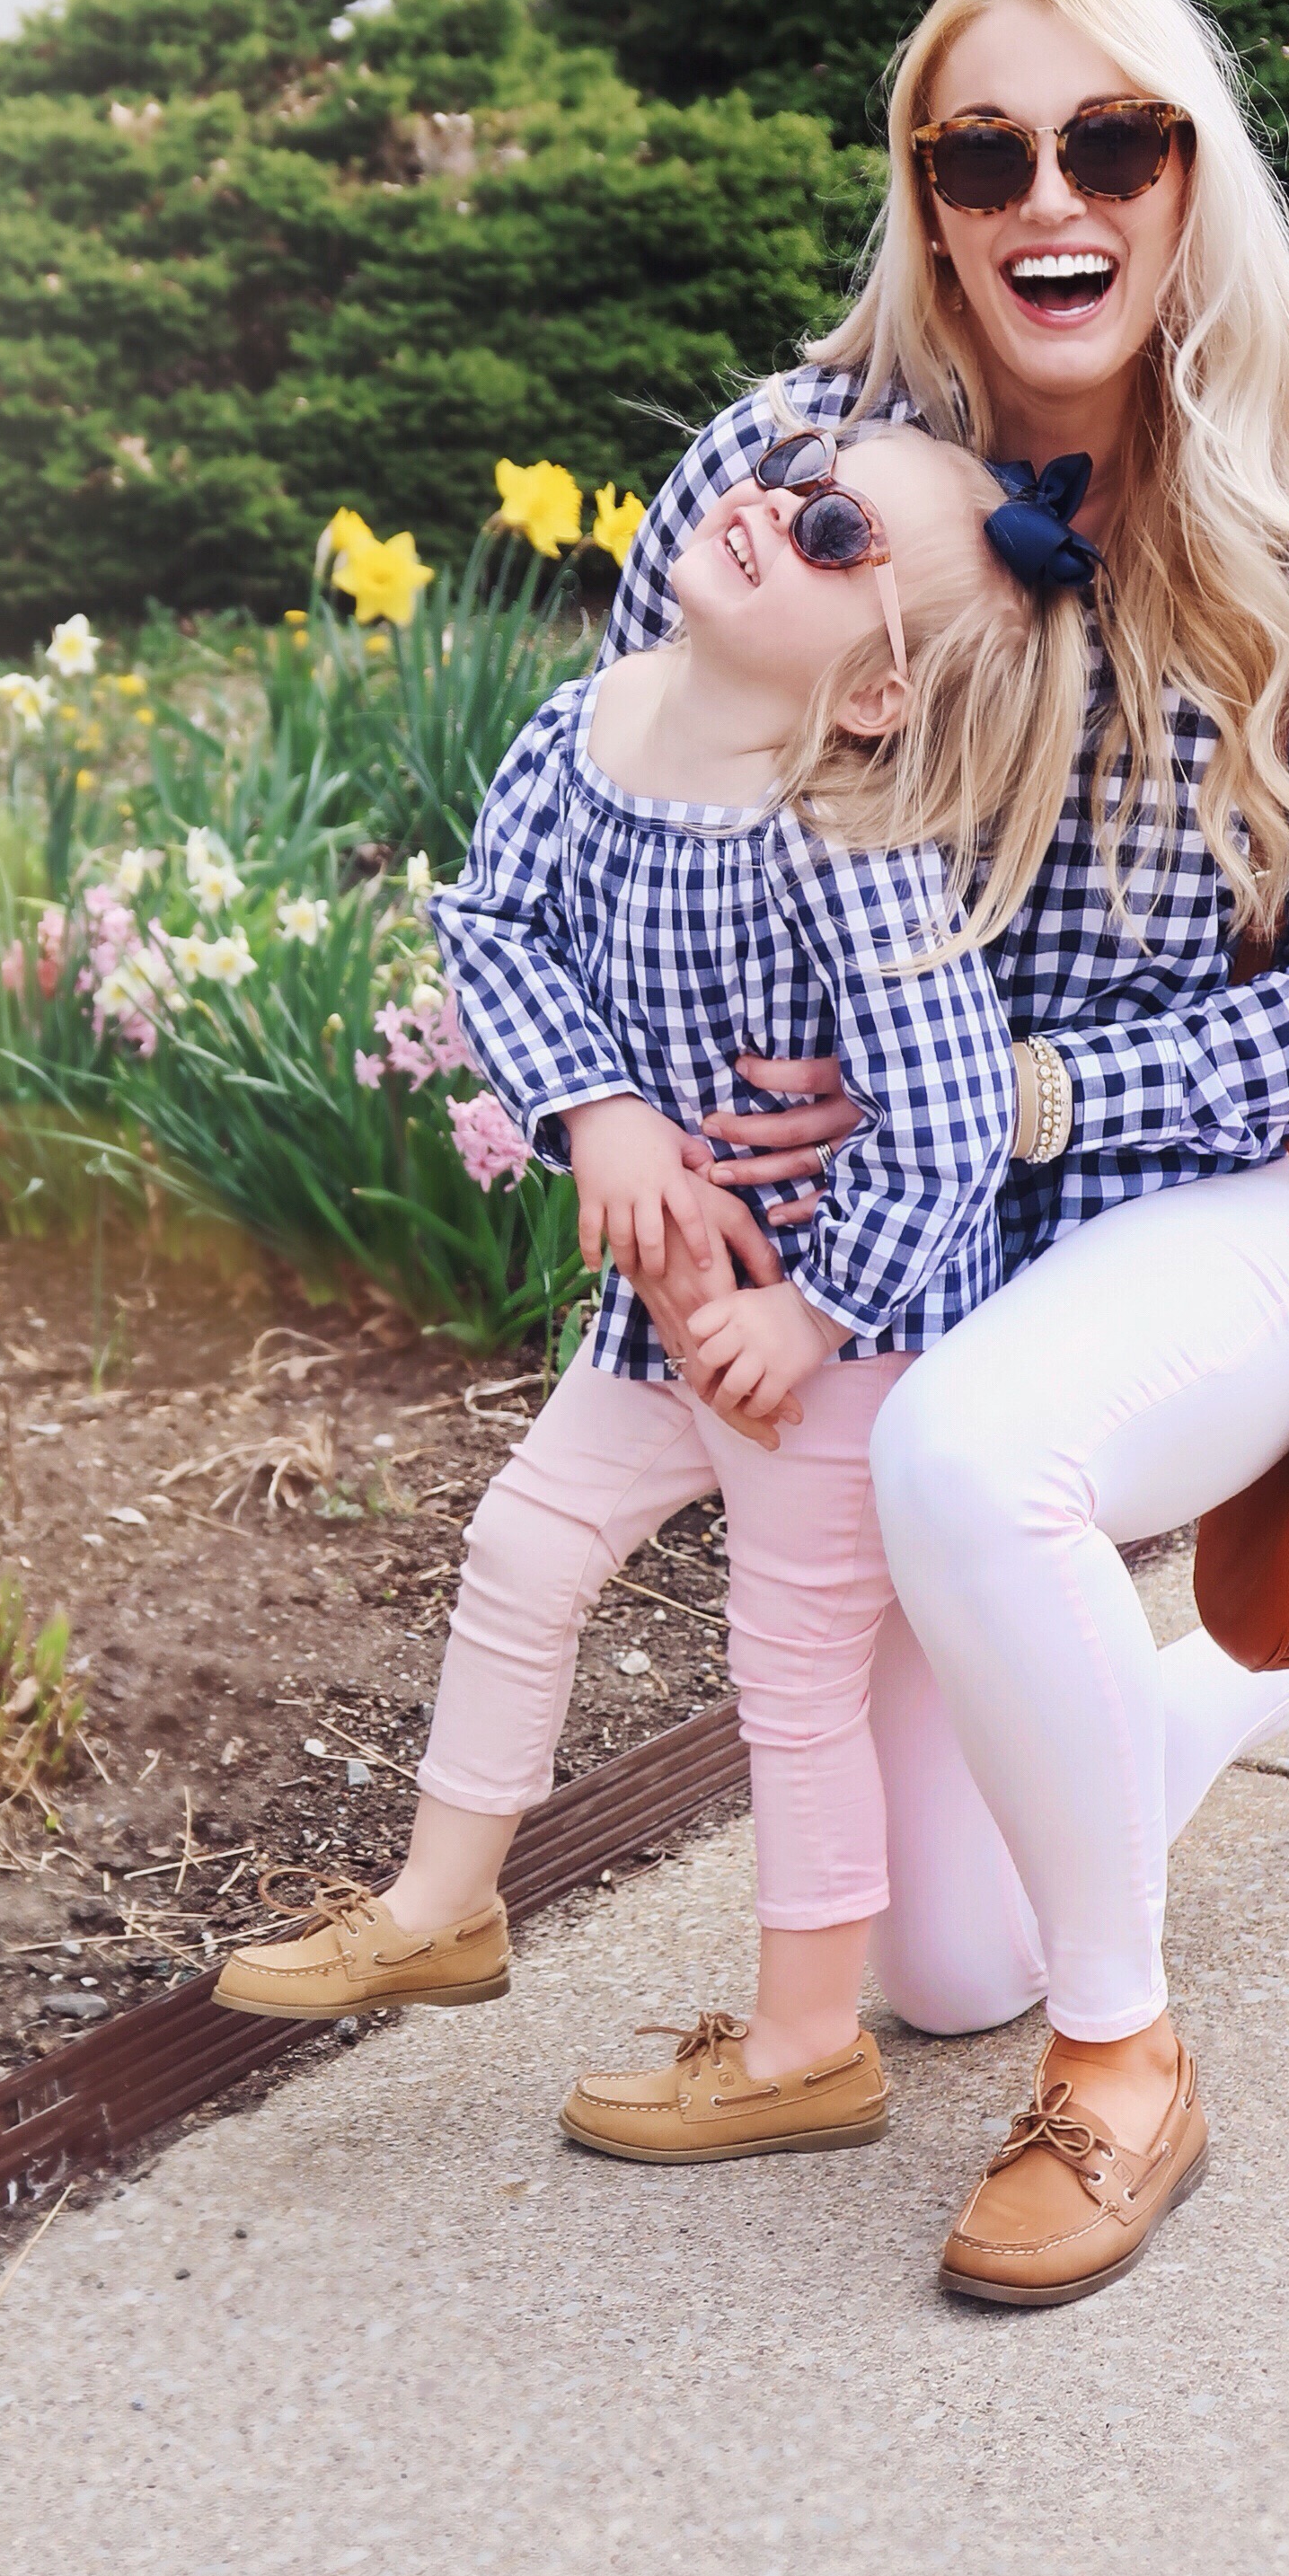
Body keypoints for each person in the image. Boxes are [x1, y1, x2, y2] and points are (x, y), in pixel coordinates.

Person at [568, 0, 1289, 2307]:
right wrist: (626, 1107)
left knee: (968, 1462)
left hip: (1213, 1194)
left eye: (1112, 141)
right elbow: (611, 796)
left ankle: (1127, 2071)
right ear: (927, 192)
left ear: (1191, 174)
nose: (1046, 197)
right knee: (938, 1959)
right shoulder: (777, 478)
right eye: (986, 152)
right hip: (900, 1234)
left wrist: (1020, 1095)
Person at [215, 424, 1092, 2165]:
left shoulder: (847, 835)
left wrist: (818, 1312)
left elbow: (947, 1116)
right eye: (793, 471)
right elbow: (496, 924)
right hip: (665, 1305)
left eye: (835, 526)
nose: (773, 501)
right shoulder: (591, 724)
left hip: (835, 1331)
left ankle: (802, 2042)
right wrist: (596, 1104)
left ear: (870, 697)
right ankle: (444, 1902)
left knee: (792, 1675)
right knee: (526, 1543)